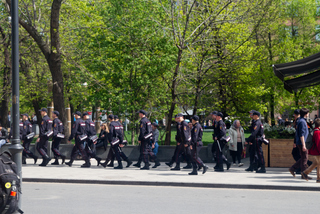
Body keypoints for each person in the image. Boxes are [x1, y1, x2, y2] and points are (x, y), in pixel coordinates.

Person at [289, 108, 310, 179]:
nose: (308, 114)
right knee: (305, 158)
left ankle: (295, 169)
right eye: (308, 113)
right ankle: (303, 173)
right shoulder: (302, 122)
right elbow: (301, 134)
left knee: (303, 158)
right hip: (302, 142)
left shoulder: (301, 121)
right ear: (305, 114)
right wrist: (304, 145)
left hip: (300, 142)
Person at [301, 118, 320, 182]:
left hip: (314, 150)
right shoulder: (317, 132)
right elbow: (318, 143)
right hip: (317, 151)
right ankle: (318, 178)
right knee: (319, 164)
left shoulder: (314, 130)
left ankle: (305, 172)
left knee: (315, 163)